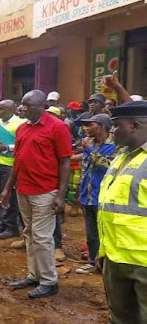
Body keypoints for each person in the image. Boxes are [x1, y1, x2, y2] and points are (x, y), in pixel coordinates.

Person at [85, 101, 147, 324]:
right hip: (116, 255)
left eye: (117, 127)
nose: (112, 132)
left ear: (135, 125)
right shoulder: (123, 157)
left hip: (143, 259)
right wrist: (102, 253)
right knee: (123, 316)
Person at [2, 90, 71, 299]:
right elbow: (18, 161)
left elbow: (65, 162)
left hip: (45, 191)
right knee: (30, 234)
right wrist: (7, 188)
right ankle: (34, 275)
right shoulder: (22, 128)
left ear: (42, 106)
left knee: (42, 237)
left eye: (27, 105)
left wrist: (60, 195)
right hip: (23, 189)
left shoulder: (58, 127)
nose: (22, 108)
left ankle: (49, 281)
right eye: (21, 104)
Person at [71, 113, 116, 275]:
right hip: (87, 195)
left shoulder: (115, 145)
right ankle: (93, 261)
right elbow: (85, 158)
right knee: (91, 233)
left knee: (105, 233)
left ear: (103, 127)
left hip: (103, 197)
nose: (87, 128)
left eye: (92, 125)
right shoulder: (91, 144)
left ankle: (105, 264)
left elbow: (106, 164)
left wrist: (88, 149)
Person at [0, 99, 25, 240]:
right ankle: (1, 224)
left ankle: (11, 227)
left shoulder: (20, 124)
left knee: (8, 197)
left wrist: (7, 147)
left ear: (12, 110)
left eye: (3, 109)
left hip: (9, 165)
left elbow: (23, 145)